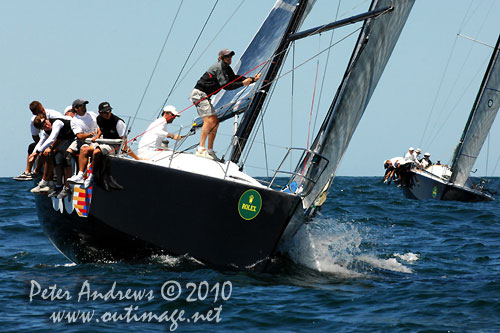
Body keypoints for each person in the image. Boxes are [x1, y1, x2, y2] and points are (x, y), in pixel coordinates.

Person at [190, 49, 261, 161]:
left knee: (215, 122)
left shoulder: (226, 68)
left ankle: (209, 151)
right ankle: (201, 149)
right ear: (221, 58)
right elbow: (226, 86)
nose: (230, 58)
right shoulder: (219, 67)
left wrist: (252, 79)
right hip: (199, 94)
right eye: (227, 57)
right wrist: (243, 83)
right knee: (209, 121)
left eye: (230, 56)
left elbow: (234, 78)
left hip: (205, 95)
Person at [30, 112, 75, 198]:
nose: (46, 126)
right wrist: (33, 154)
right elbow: (41, 141)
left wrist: (38, 151)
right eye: (43, 127)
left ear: (47, 120)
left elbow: (52, 138)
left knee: (66, 158)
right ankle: (56, 185)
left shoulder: (57, 122)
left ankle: (66, 186)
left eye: (45, 123)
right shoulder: (45, 130)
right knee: (55, 158)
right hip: (64, 140)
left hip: (73, 139)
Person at [14, 101, 63, 181]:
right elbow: (36, 137)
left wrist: (49, 147)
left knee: (47, 151)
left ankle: (48, 174)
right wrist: (38, 150)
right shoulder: (35, 120)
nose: (42, 113)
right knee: (33, 147)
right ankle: (28, 172)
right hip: (48, 140)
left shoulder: (55, 115)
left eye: (42, 111)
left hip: (60, 138)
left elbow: (58, 136)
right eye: (39, 112)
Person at [87, 101, 127, 189]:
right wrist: (97, 136)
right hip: (104, 142)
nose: (108, 113)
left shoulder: (118, 122)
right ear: (100, 112)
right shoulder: (99, 119)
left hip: (114, 146)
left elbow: (124, 141)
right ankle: (80, 175)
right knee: (85, 149)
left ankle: (92, 177)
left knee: (97, 152)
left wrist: (128, 154)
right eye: (105, 112)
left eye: (109, 111)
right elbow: (101, 129)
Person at [66, 99, 98, 185]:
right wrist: (90, 134)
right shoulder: (75, 121)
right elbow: (79, 136)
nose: (84, 107)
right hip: (87, 142)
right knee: (83, 150)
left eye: (85, 105)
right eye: (82, 106)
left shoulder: (92, 114)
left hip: (99, 140)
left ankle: (90, 175)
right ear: (76, 109)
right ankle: (80, 175)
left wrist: (97, 135)